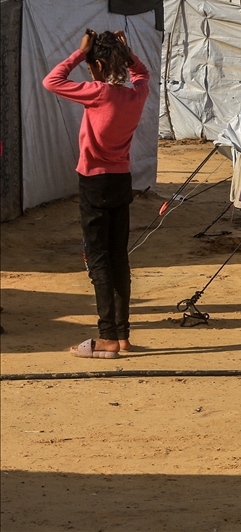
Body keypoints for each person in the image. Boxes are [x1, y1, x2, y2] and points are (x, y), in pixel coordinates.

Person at [44, 29, 150, 359]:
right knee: (119, 258)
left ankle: (106, 338)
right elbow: (142, 73)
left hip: (94, 184)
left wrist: (79, 53)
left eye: (92, 65)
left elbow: (52, 81)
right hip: (121, 182)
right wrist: (125, 50)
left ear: (98, 65)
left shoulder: (97, 93)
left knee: (99, 261)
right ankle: (122, 336)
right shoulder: (135, 95)